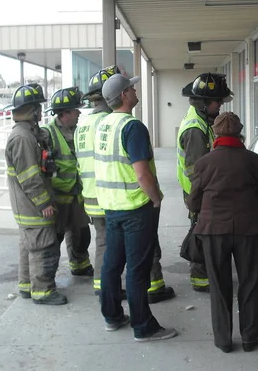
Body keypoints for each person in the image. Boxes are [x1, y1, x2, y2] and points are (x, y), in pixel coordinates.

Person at [94, 73, 178, 342]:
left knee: (111, 265)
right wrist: (155, 198)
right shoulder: (132, 127)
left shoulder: (103, 125)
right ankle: (143, 326)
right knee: (137, 270)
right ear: (123, 96)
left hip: (111, 206)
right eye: (130, 88)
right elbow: (142, 174)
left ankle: (112, 316)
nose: (134, 90)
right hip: (135, 208)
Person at [186, 112, 258, 353]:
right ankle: (249, 339)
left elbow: (193, 203)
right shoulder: (253, 160)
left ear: (215, 133)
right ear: (240, 133)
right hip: (249, 229)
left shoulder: (204, 162)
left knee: (219, 284)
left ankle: (224, 340)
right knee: (250, 282)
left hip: (214, 231)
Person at [5, 83, 67, 305]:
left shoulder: (27, 134)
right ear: (32, 111)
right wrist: (44, 203)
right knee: (43, 246)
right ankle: (43, 291)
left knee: (28, 244)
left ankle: (26, 285)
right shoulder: (22, 138)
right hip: (32, 205)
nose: (41, 112)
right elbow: (30, 176)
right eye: (38, 108)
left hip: (25, 204)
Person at [177, 72, 233, 293]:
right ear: (204, 102)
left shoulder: (201, 120)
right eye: (217, 101)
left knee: (204, 233)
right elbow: (196, 171)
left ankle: (204, 275)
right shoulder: (195, 129)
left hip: (199, 191)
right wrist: (203, 198)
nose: (220, 105)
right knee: (201, 235)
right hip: (198, 192)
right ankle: (201, 279)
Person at [75, 66, 125, 297]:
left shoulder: (83, 124)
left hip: (91, 193)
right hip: (107, 194)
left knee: (103, 241)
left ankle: (104, 285)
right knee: (107, 244)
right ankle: (104, 286)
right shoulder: (106, 122)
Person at [42, 87, 93, 277]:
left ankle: (80, 265)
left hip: (77, 196)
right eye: (75, 110)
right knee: (55, 238)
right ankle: (47, 278)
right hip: (58, 198)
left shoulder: (80, 131)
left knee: (81, 234)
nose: (79, 112)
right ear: (64, 114)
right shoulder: (47, 134)